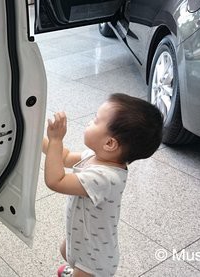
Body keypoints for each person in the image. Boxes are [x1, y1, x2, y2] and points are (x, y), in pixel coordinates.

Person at [43, 93, 163, 277]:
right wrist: (36, 136)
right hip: (83, 241)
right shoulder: (95, 157)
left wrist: (55, 140)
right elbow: (65, 157)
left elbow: (55, 181)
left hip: (94, 261)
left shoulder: (105, 178)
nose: (90, 122)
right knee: (65, 249)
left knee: (75, 261)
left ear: (109, 143)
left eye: (96, 120)